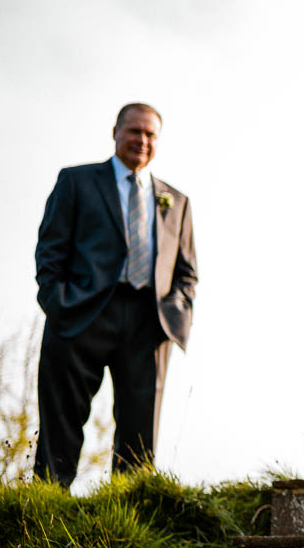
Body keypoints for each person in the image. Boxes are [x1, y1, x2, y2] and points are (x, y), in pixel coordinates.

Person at [33, 102, 198, 488]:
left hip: (148, 322)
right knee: (62, 417)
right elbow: (50, 250)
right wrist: (58, 303)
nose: (141, 140)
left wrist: (175, 313)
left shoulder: (177, 200)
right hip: (81, 313)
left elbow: (187, 272)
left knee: (140, 428)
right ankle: (47, 503)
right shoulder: (77, 181)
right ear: (116, 132)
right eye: (134, 131)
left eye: (150, 134)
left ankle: (129, 509)